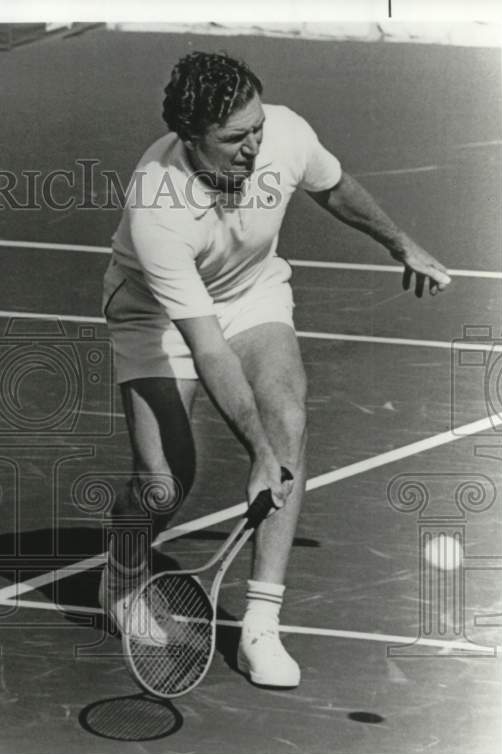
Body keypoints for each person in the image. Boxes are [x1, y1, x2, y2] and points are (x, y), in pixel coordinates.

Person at [99, 52, 449, 688]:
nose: (253, 147)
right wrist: (255, 451)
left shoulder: (284, 132)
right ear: (189, 139)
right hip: (156, 317)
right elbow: (208, 349)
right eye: (234, 138)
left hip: (252, 292)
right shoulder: (159, 207)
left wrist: (400, 241)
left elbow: (333, 186)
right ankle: (121, 578)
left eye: (255, 127)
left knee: (288, 415)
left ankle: (262, 621)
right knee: (165, 482)